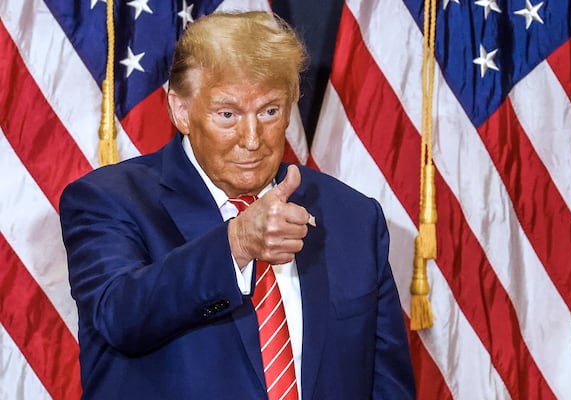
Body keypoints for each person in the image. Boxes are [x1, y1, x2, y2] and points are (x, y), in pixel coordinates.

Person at [59, 11, 416, 400]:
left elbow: (388, 386)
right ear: (181, 110)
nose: (251, 139)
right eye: (228, 114)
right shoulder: (108, 201)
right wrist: (237, 244)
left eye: (269, 111)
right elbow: (120, 317)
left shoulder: (352, 217)